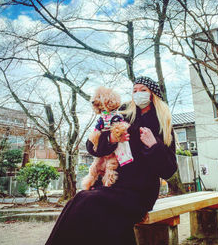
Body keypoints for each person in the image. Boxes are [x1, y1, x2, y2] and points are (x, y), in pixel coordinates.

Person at [45, 76, 177, 245]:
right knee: (80, 199)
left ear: (153, 94)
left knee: (90, 202)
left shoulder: (162, 124)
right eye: (134, 90)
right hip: (111, 183)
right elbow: (91, 146)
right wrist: (112, 139)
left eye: (143, 90)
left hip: (140, 191)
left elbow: (169, 170)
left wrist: (154, 146)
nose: (138, 94)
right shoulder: (121, 114)